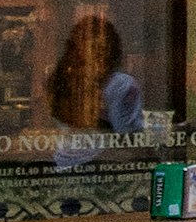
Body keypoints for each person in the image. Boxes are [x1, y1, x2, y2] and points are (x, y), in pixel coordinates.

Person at [47, 14, 143, 170]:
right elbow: (129, 136)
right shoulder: (122, 84)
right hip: (102, 170)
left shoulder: (62, 80)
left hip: (63, 166)